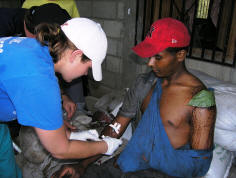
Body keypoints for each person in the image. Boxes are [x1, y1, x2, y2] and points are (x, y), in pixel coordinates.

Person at [53, 17, 216, 178]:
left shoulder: (200, 99)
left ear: (180, 55)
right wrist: (83, 164)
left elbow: (199, 163)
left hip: (164, 172)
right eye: (150, 55)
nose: (150, 63)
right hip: (131, 161)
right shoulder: (144, 84)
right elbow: (117, 127)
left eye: (157, 57)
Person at [0, 17, 122, 178]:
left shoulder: (34, 48)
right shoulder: (40, 80)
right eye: (88, 67)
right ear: (76, 55)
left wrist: (72, 135)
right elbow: (60, 150)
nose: (85, 74)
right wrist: (105, 146)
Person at [0, 3, 78, 120]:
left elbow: (47, 67)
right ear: (40, 35)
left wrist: (62, 96)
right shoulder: (5, 24)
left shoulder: (41, 25)